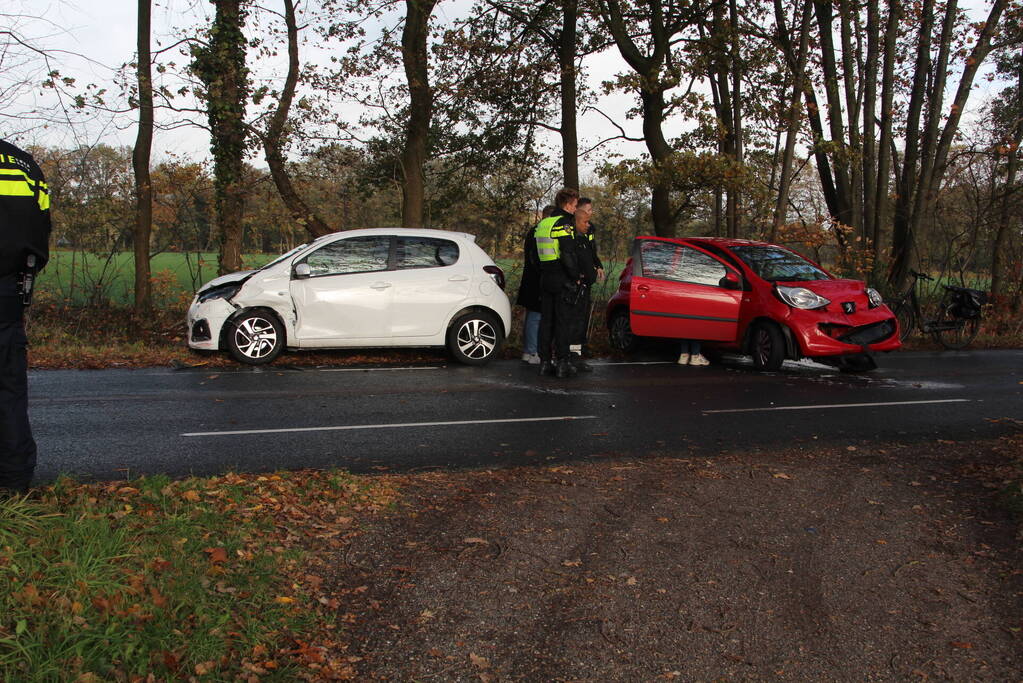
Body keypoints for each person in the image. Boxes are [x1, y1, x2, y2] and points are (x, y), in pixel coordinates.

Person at [0, 139, 51, 497]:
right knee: (9, 392)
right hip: (9, 292)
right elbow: (42, 226)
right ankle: (14, 484)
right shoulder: (24, 164)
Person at [534, 188, 581, 378]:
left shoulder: (544, 223)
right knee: (563, 322)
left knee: (547, 322)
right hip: (562, 278)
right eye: (576, 205)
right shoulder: (564, 223)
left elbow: (534, 255)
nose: (576, 209)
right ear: (568, 204)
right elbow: (567, 253)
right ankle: (563, 363)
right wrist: (575, 275)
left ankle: (545, 362)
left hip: (546, 277)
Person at [515, 205, 554, 365]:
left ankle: (529, 350)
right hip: (537, 280)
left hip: (531, 280)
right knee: (536, 316)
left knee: (533, 315)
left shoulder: (533, 231)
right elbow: (538, 258)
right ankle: (532, 351)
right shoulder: (541, 232)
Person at [569, 197, 604, 370]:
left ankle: (578, 351)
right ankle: (573, 355)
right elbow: (574, 259)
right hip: (578, 285)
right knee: (576, 320)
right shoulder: (574, 236)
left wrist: (598, 266)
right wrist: (578, 276)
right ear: (579, 212)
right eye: (588, 212)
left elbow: (592, 253)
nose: (590, 218)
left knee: (582, 319)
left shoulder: (587, 233)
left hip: (586, 283)